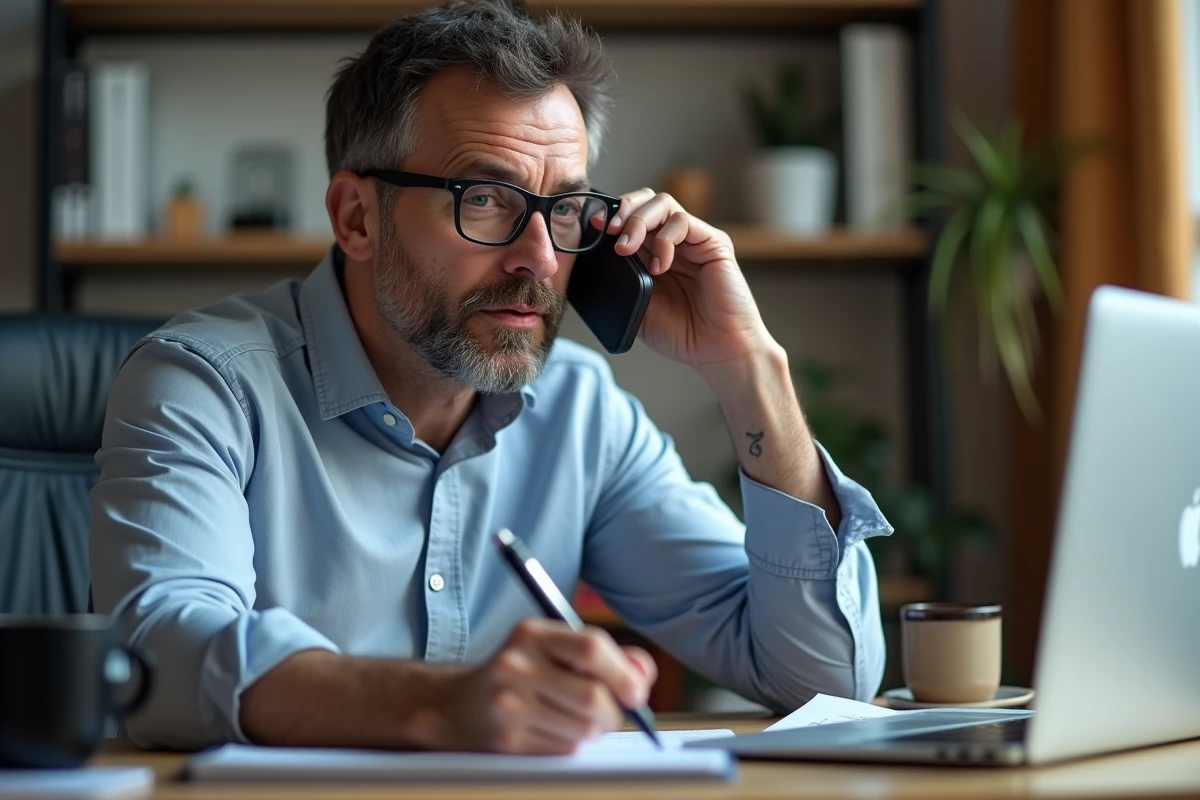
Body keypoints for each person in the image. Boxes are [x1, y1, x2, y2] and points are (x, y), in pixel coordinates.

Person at [90, 0, 891, 755]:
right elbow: (156, 657)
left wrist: (749, 365)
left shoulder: (581, 412)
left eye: (565, 209)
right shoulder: (203, 384)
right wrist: (439, 705)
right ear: (357, 217)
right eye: (484, 199)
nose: (538, 259)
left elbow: (823, 680)